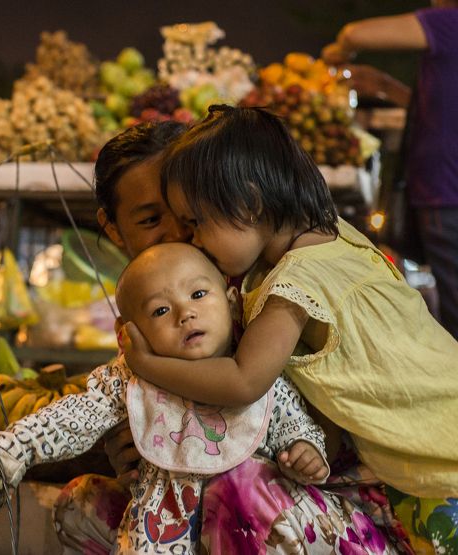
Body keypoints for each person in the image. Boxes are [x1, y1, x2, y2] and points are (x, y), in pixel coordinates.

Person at [119, 105, 458, 552]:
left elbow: (243, 380)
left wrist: (146, 363)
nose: (193, 239)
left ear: (250, 204)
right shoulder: (338, 237)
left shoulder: (294, 285)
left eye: (197, 222)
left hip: (437, 474)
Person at [0, 242, 352, 554]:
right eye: (160, 310)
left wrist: (305, 450)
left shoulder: (254, 369)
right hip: (161, 524)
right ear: (129, 334)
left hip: (250, 532)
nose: (185, 313)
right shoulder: (130, 379)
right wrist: (14, 448)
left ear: (232, 302)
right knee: (90, 509)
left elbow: (292, 421)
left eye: (199, 294)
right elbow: (75, 415)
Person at [321, 3, 458, 339]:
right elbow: (440, 105)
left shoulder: (449, 23)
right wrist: (383, 84)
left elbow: (356, 33)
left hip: (446, 193)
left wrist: (339, 51)